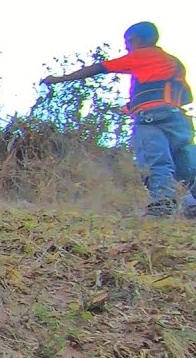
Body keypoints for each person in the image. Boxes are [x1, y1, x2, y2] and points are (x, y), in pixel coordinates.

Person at [42, 22, 196, 218]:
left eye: (127, 41)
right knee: (187, 165)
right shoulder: (173, 62)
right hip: (177, 118)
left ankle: (162, 206)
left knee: (155, 161)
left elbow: (100, 67)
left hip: (149, 119)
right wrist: (137, 104)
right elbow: (186, 97)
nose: (126, 46)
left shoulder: (141, 55)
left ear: (136, 40)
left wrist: (60, 79)